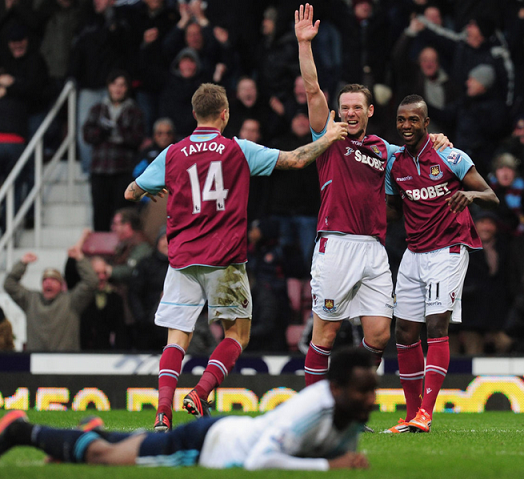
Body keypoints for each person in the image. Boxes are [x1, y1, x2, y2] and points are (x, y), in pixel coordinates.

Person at [123, 82, 349, 432]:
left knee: (176, 338)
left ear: (195, 114)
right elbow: (296, 159)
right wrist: (330, 137)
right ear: (225, 114)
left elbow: (131, 190)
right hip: (224, 259)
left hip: (182, 258)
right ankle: (200, 392)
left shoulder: (173, 153)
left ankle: (162, 413)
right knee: (236, 336)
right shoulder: (238, 149)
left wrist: (154, 188)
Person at [294, 4, 450, 387]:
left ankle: (348, 396)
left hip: (375, 249)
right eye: (344, 108)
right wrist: (304, 45)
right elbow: (313, 90)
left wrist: (439, 140)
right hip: (336, 244)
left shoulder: (384, 148)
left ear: (368, 111)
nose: (348, 113)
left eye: (355, 108)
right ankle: (317, 412)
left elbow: (419, 151)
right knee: (326, 334)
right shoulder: (328, 138)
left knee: (380, 336)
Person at [0, 347, 376, 471]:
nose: (371, 400)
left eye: (371, 391)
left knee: (122, 446)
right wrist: (328, 466)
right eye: (363, 392)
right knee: (105, 457)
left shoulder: (350, 412)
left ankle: (89, 432)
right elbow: (259, 462)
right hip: (204, 446)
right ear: (337, 389)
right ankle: (22, 430)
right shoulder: (312, 410)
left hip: (223, 432)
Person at [384, 94, 498, 433]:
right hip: (414, 252)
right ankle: (411, 412)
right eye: (401, 120)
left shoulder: (451, 157)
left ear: (426, 123)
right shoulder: (395, 164)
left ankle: (427, 414)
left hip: (448, 249)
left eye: (413, 120)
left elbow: (491, 196)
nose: (406, 126)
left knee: (436, 327)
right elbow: (393, 210)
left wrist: (471, 195)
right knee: (404, 332)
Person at [3, 244, 98, 352]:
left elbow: (92, 282)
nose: (48, 282)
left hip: (65, 362)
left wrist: (80, 259)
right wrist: (22, 263)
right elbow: (9, 284)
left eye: (53, 280)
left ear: (61, 285)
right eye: (45, 280)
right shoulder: (30, 300)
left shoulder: (72, 301)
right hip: (36, 362)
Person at [83, 69, 145, 232]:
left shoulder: (134, 111)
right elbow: (87, 135)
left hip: (122, 170)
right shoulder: (97, 109)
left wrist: (119, 132)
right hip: (99, 169)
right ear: (109, 86)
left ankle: (121, 252)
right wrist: (102, 132)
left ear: (127, 88)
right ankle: (101, 252)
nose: (118, 89)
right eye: (114, 84)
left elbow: (137, 138)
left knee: (122, 214)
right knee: (100, 213)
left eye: (122, 85)